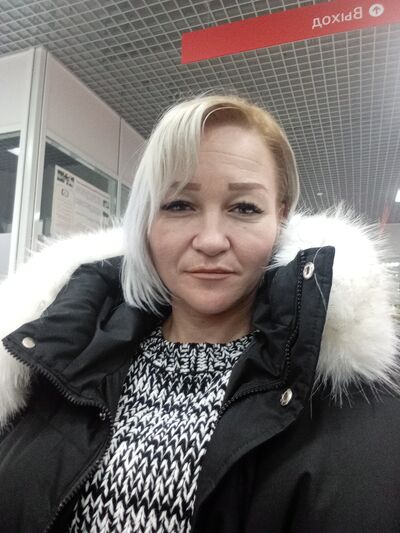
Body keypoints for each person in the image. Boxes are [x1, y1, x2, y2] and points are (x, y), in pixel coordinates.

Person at [0, 94, 399, 533]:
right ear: (147, 220)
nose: (210, 241)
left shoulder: (346, 398)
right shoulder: (56, 354)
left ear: (281, 219)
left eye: (244, 208)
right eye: (179, 205)